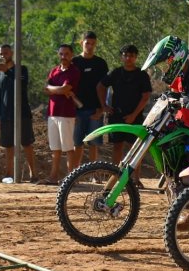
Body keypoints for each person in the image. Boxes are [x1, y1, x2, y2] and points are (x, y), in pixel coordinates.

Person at [97, 44, 152, 186]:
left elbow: (146, 96)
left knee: (136, 147)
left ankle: (135, 179)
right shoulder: (116, 73)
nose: (129, 58)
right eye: (126, 55)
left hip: (135, 116)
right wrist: (104, 106)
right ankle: (115, 177)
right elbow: (101, 86)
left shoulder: (142, 75)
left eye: (132, 56)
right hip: (117, 115)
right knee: (117, 146)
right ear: (122, 56)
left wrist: (134, 115)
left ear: (136, 57)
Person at [0, 43, 36, 182]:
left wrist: (8, 71)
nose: (2, 56)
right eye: (0, 53)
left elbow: (22, 85)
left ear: (11, 54)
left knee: (27, 143)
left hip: (22, 113)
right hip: (6, 115)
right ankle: (9, 174)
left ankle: (33, 174)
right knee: (8, 145)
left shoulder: (21, 69)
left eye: (5, 53)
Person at [43, 44, 81, 185]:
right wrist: (56, 89)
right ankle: (53, 177)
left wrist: (53, 89)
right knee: (55, 148)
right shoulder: (54, 71)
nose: (63, 57)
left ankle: (71, 178)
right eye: (61, 54)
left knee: (68, 147)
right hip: (52, 113)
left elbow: (65, 89)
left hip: (66, 114)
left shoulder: (74, 72)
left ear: (71, 55)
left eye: (66, 54)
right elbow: (46, 89)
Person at [71, 31, 109, 166]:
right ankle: (75, 174)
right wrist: (72, 111)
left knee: (94, 144)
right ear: (82, 43)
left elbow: (105, 87)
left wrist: (102, 108)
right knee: (77, 143)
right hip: (77, 111)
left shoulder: (101, 63)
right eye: (87, 43)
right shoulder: (74, 62)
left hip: (95, 110)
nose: (90, 46)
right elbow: (69, 88)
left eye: (93, 44)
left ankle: (94, 173)